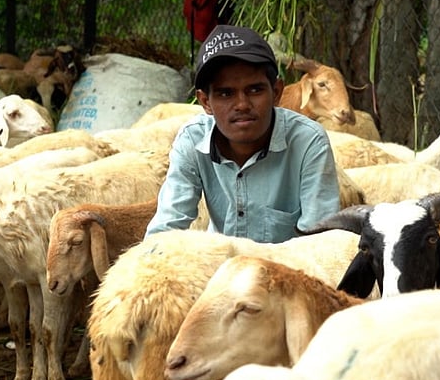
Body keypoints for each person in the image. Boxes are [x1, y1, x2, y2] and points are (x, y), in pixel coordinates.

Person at [145, 24, 341, 243]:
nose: (242, 104)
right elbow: (165, 230)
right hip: (220, 262)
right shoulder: (193, 140)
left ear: (276, 92)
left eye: (255, 90)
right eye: (225, 93)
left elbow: (319, 242)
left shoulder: (308, 142)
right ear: (205, 102)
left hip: (288, 263)